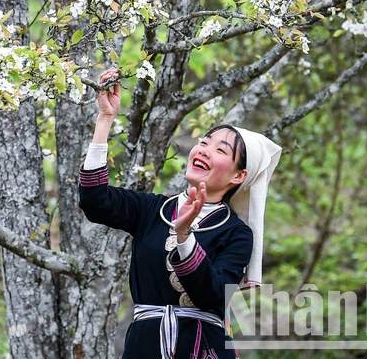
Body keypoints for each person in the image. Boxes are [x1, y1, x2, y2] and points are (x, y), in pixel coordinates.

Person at [79, 67, 283, 358]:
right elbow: (94, 200)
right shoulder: (152, 209)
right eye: (204, 142)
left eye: (221, 150)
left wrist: (184, 236)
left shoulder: (236, 234)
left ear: (239, 176)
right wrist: (105, 120)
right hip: (144, 348)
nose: (204, 149)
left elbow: (214, 296)